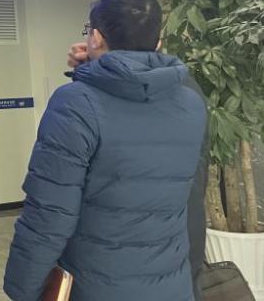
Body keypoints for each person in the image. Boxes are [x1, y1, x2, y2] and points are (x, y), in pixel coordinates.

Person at [4, 0, 207, 301]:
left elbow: (50, 214)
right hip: (171, 283)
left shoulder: (75, 102)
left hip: (97, 285)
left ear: (96, 38)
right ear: (158, 42)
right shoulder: (191, 103)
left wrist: (23, 289)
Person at [65, 40, 209, 301]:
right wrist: (92, 71)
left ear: (96, 38)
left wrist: (92, 73)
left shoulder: (90, 100)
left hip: (123, 260)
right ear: (159, 41)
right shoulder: (187, 89)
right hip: (179, 245)